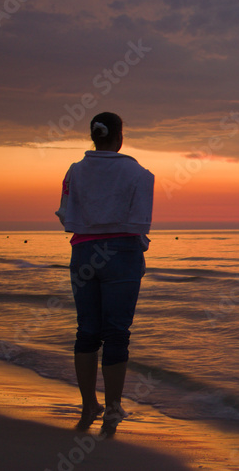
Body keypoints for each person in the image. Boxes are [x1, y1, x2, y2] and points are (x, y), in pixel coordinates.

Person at [55, 112, 154, 437]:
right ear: (119, 136)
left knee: (87, 331)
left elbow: (65, 214)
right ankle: (112, 409)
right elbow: (140, 221)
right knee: (116, 333)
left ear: (94, 136)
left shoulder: (75, 171)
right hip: (121, 254)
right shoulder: (139, 173)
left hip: (84, 252)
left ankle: (88, 405)